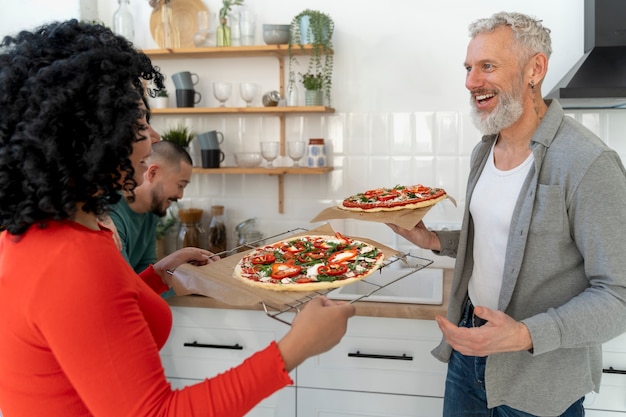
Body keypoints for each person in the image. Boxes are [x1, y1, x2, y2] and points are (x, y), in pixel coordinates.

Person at [0, 20, 355, 417]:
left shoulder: (54, 231)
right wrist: (297, 347)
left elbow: (93, 319)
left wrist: (158, 275)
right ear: (91, 139)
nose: (153, 139)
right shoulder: (72, 259)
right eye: (138, 125)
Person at [389, 11, 626, 417]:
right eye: (468, 68)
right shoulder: (486, 149)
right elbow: (506, 241)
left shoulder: (587, 162)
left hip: (541, 377)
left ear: (535, 69)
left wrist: (524, 334)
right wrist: (435, 241)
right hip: (469, 353)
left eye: (487, 67)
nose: (470, 82)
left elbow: (619, 295)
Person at [108, 140, 193, 275]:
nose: (180, 195)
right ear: (153, 173)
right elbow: (125, 282)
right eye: (180, 185)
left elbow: (145, 271)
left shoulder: (151, 211)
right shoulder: (110, 214)